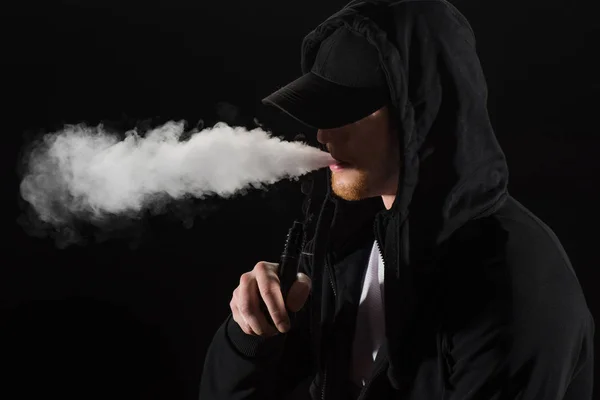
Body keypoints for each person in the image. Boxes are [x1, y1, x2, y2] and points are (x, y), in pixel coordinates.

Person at [199, 0, 594, 399]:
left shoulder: (512, 283)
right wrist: (250, 337)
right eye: (322, 110)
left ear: (420, 114)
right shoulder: (343, 249)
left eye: (347, 112)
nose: (323, 135)